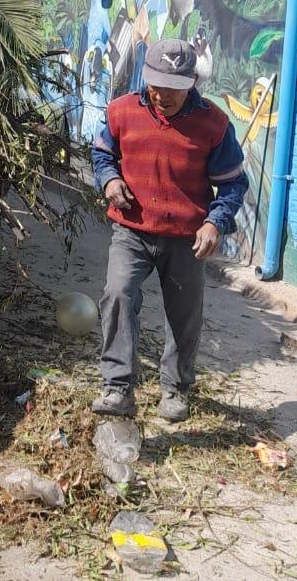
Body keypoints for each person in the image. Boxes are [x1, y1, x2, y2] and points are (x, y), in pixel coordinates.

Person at [90, 39, 248, 422]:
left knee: (184, 315)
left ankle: (175, 390)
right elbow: (101, 153)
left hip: (186, 238)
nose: (163, 95)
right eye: (157, 84)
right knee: (118, 294)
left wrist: (215, 222)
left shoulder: (213, 123)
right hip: (132, 231)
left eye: (175, 87)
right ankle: (117, 387)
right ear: (146, 77)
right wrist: (109, 180)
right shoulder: (121, 111)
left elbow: (232, 184)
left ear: (192, 82)